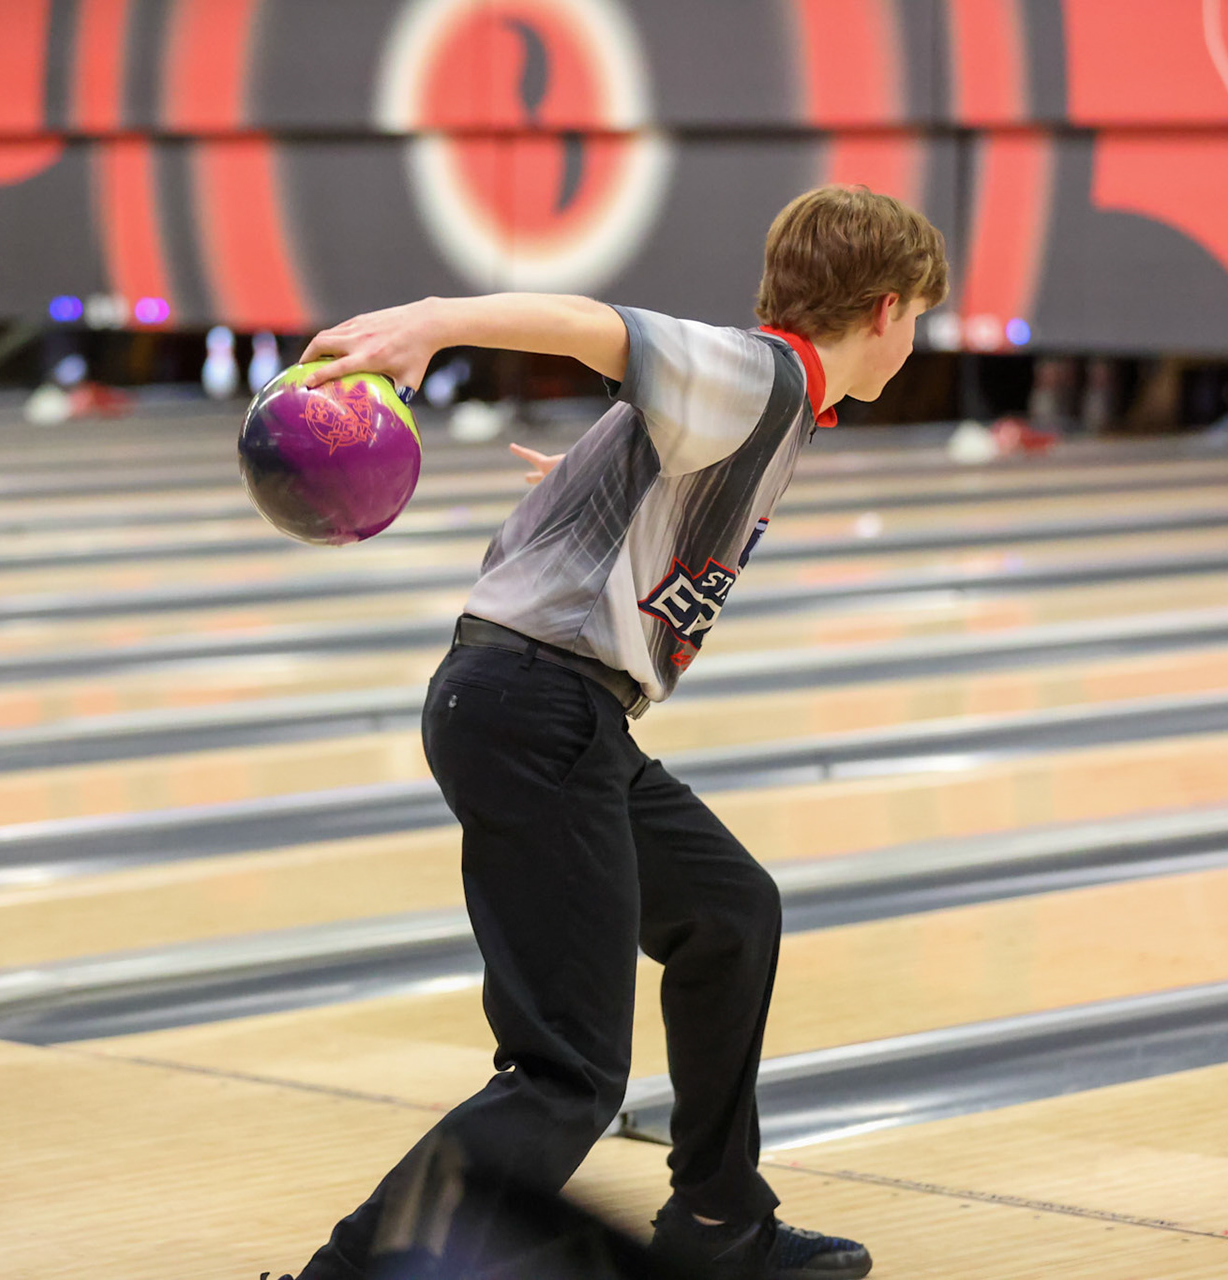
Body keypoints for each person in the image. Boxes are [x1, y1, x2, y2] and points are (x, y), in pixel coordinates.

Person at [286, 185, 948, 1280]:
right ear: (885, 309)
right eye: (919, 316)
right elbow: (597, 327)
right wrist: (429, 323)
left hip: (546, 709)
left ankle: (719, 1223)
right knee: (569, 1076)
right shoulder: (758, 374)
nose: (916, 340)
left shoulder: (755, 406)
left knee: (729, 911)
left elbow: (624, 486)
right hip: (537, 708)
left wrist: (599, 483)